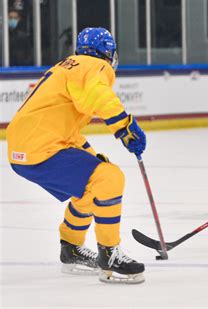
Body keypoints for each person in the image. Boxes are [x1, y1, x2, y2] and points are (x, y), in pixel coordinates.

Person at [6, 27, 147, 284]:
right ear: (109, 53)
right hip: (41, 147)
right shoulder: (94, 66)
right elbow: (99, 96)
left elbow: (62, 126)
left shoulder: (67, 66)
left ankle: (71, 248)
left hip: (25, 147)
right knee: (109, 179)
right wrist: (125, 127)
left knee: (93, 182)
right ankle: (110, 254)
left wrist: (92, 156)